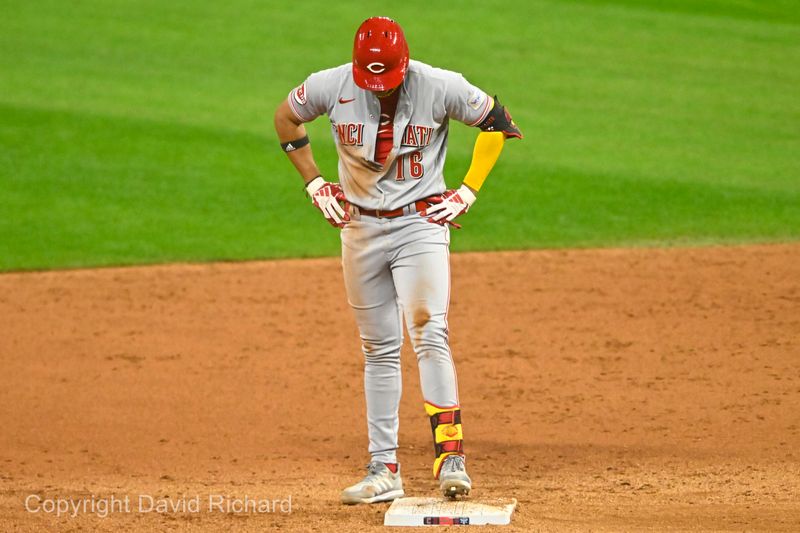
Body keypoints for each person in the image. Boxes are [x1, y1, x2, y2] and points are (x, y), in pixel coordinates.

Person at [274, 16, 521, 505]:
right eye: (372, 80)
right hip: (359, 228)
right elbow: (285, 118)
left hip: (419, 226)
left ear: (404, 64)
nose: (380, 89)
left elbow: (499, 123)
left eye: (387, 79)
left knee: (430, 331)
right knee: (378, 349)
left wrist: (469, 190)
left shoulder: (439, 85)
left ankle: (451, 457)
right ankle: (383, 469)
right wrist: (313, 181)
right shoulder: (331, 84)